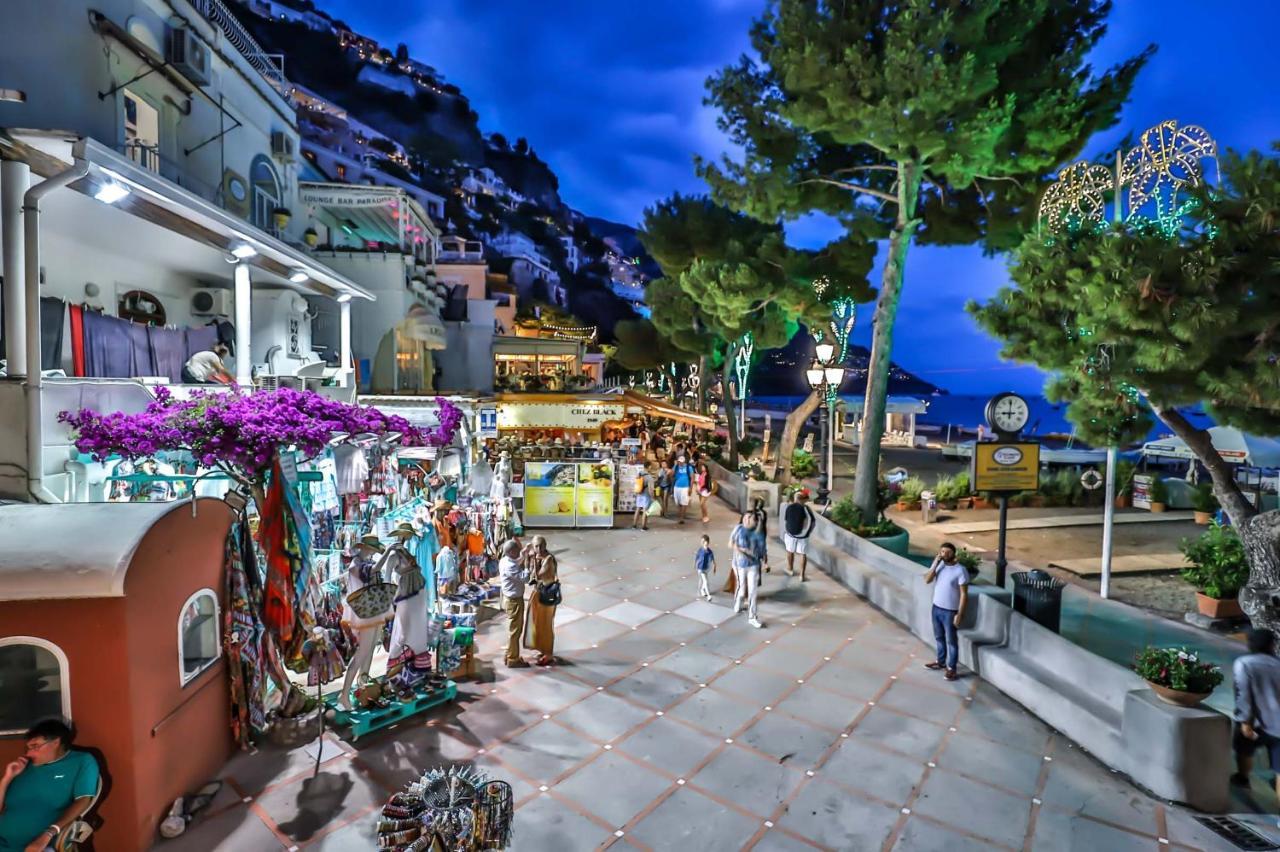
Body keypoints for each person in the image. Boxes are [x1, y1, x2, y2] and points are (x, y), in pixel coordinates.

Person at [0, 719, 100, 852]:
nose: (28, 754)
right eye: (27, 748)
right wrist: (7, 778)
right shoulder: (23, 768)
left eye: (35, 746)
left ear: (56, 742)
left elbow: (83, 801)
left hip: (40, 845)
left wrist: (48, 834)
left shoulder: (81, 761)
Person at [1232, 628, 1280, 792]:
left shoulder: (1244, 664)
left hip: (1257, 723)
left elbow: (1243, 695)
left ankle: (1243, 777)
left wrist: (1245, 721)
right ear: (1271, 645)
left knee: (1243, 747)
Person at [924, 542, 969, 681]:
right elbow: (927, 580)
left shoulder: (960, 570)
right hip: (936, 607)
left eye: (948, 552)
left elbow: (964, 594)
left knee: (951, 640)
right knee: (939, 637)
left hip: (950, 611)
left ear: (953, 554)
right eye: (942, 551)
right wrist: (935, 564)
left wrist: (959, 614)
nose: (944, 554)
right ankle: (940, 661)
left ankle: (952, 668)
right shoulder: (940, 565)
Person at [524, 536, 559, 666]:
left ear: (545, 545)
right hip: (538, 593)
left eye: (540, 546)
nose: (538, 549)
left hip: (546, 595)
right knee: (537, 622)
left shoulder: (548, 559)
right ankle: (542, 649)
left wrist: (532, 560)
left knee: (546, 624)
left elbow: (538, 575)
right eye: (536, 546)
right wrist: (528, 558)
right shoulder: (537, 558)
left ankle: (548, 653)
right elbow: (528, 575)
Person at [730, 511, 767, 629]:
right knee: (741, 589)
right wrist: (743, 550)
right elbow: (731, 544)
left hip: (754, 565)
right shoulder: (738, 529)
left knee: (752, 591)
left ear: (755, 521)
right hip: (740, 564)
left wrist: (765, 563)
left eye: (749, 518)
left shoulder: (759, 533)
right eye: (745, 518)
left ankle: (752, 617)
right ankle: (738, 601)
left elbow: (762, 550)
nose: (746, 520)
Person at [498, 539, 529, 668]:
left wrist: (523, 554)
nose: (518, 552)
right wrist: (527, 564)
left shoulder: (505, 560)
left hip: (508, 599)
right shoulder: (510, 566)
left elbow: (515, 562)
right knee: (515, 630)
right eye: (517, 550)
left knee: (513, 629)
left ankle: (509, 653)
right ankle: (513, 659)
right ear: (511, 552)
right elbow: (525, 577)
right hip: (514, 601)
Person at [782, 489, 817, 581]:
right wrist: (808, 532)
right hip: (803, 535)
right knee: (802, 554)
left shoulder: (789, 507)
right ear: (803, 500)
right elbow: (812, 522)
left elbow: (786, 521)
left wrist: (788, 531)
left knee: (790, 551)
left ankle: (790, 569)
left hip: (791, 534)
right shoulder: (806, 509)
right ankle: (802, 575)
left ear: (795, 499)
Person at [671, 455, 695, 524]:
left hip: (685, 487)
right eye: (679, 462)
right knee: (678, 502)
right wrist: (674, 465)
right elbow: (671, 474)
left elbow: (692, 478)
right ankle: (680, 513)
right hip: (677, 486)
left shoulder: (688, 467)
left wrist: (690, 488)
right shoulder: (676, 467)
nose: (680, 463)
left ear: (684, 461)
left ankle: (682, 517)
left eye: (681, 462)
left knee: (684, 502)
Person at [632, 463, 655, 531]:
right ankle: (643, 527)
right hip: (646, 495)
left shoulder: (639, 474)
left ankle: (634, 525)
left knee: (638, 509)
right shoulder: (649, 477)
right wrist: (653, 497)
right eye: (650, 467)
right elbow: (651, 489)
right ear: (649, 467)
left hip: (639, 494)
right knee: (645, 510)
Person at [694, 534, 717, 602]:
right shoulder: (700, 550)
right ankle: (709, 595)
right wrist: (695, 564)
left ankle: (702, 590)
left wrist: (715, 566)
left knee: (703, 581)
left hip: (706, 568)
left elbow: (713, 559)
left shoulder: (709, 551)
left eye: (706, 543)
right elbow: (697, 557)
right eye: (704, 542)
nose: (705, 544)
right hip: (700, 569)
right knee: (705, 581)